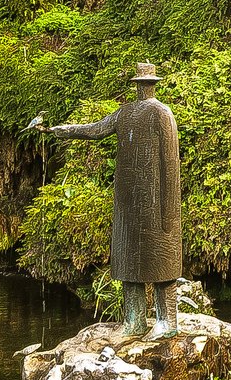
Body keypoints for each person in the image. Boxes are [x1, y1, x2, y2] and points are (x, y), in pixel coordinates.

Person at [31, 63, 183, 338]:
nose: (142, 87)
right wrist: (59, 130)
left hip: (156, 197)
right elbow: (96, 129)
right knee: (128, 258)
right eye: (139, 83)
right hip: (128, 196)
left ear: (151, 84)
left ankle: (167, 322)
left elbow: (171, 161)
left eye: (145, 83)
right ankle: (134, 320)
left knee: (160, 257)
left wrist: (170, 208)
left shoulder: (162, 113)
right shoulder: (125, 112)